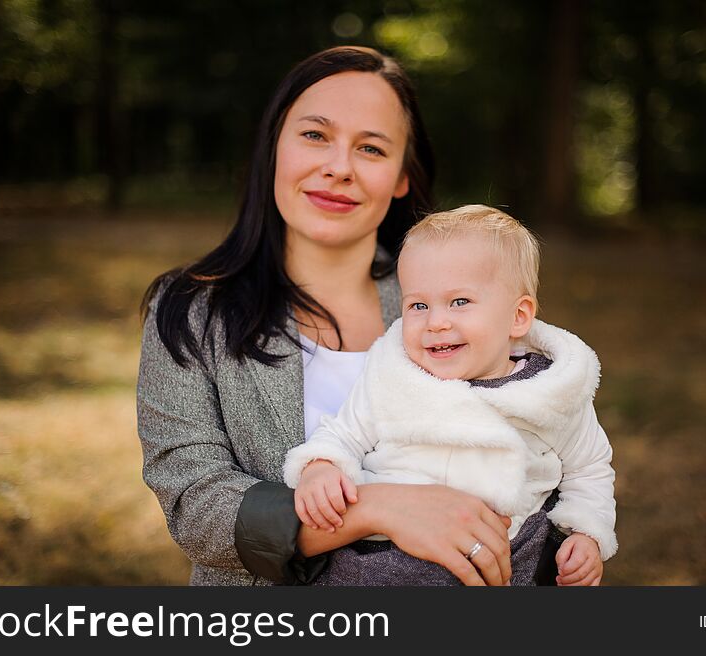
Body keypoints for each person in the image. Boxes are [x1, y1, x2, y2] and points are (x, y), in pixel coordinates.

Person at [137, 46, 522, 587]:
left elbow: (533, 424)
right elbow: (195, 505)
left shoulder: (457, 301)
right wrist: (373, 507)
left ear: (402, 177)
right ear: (274, 148)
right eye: (315, 135)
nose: (339, 167)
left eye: (370, 148)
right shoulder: (190, 312)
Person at [284, 205, 617, 586]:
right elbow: (344, 433)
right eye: (418, 305)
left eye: (460, 302)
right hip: (376, 566)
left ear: (518, 316)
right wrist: (321, 466)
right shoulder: (394, 373)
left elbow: (589, 470)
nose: (436, 322)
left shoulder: (552, 391)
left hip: (501, 564)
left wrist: (587, 533)